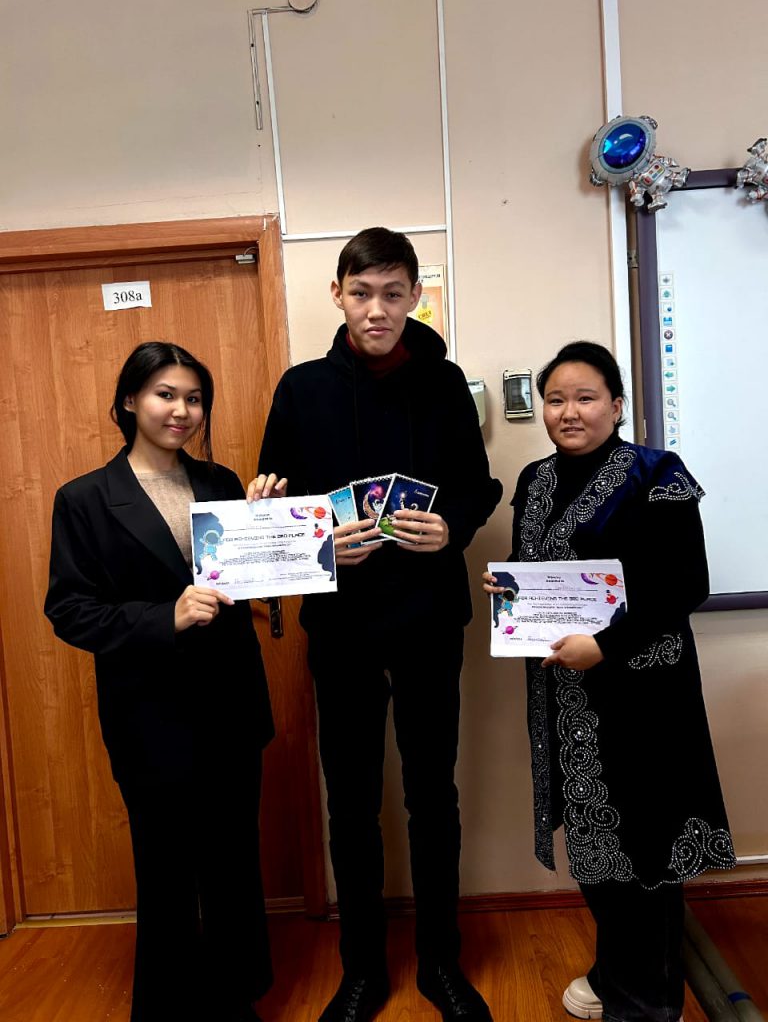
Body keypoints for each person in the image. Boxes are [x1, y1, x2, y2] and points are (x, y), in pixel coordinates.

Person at [252, 227, 502, 1022]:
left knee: (433, 796)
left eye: (394, 294)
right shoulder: (301, 389)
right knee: (352, 802)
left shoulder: (446, 382)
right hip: (342, 623)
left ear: (415, 297)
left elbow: (479, 488)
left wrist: (450, 528)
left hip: (429, 618)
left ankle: (440, 963)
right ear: (338, 295)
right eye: (361, 293)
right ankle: (361, 970)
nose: (377, 310)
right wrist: (303, 534)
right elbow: (279, 507)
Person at [484, 341, 735, 1022]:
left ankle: (647, 1003)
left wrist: (606, 644)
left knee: (644, 852)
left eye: (586, 397)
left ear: (617, 406)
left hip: (642, 696)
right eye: (556, 399)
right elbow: (538, 572)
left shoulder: (657, 474)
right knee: (594, 844)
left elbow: (686, 583)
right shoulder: (535, 479)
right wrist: (510, 592)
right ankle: (620, 972)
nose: (569, 411)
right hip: (564, 696)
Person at [45, 342, 281, 1022]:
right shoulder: (86, 499)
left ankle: (237, 997)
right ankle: (169, 1006)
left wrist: (267, 523)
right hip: (149, 714)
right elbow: (69, 610)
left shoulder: (221, 482)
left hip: (231, 703)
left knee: (233, 860)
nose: (182, 410)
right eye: (165, 394)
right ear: (130, 400)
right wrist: (163, 617)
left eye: (194, 398)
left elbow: (252, 582)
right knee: (166, 866)